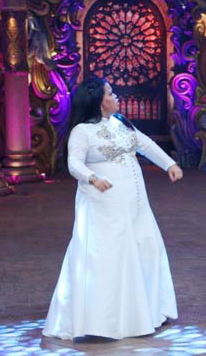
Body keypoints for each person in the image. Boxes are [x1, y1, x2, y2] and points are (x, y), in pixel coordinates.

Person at [43, 77, 183, 340]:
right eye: (110, 93)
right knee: (108, 256)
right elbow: (74, 163)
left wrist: (169, 164)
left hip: (135, 203)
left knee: (145, 247)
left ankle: (148, 312)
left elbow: (145, 145)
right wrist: (92, 177)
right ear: (98, 101)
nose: (116, 96)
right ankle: (102, 323)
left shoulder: (120, 123)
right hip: (104, 205)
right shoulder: (82, 131)